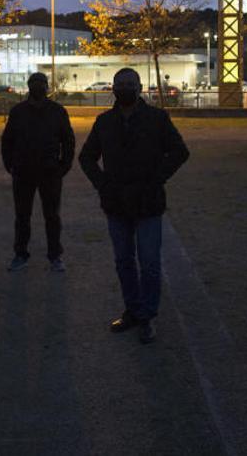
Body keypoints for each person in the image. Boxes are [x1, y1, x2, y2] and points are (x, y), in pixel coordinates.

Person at [79, 68, 189, 344]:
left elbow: (179, 151)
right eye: (121, 84)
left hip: (148, 201)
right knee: (124, 261)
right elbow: (87, 157)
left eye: (130, 84)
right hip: (116, 203)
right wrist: (102, 184)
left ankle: (148, 315)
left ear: (140, 87)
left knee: (150, 263)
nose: (125, 88)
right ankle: (133, 310)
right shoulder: (104, 122)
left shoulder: (157, 119)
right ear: (114, 89)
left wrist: (156, 178)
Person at [1, 72, 75, 272]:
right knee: (22, 216)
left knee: (52, 216)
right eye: (35, 83)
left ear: (46, 87)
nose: (38, 87)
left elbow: (68, 140)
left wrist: (63, 166)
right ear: (29, 86)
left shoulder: (57, 111)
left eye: (41, 84)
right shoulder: (18, 112)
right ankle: (20, 254)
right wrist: (10, 164)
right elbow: (7, 140)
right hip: (23, 172)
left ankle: (55, 256)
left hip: (50, 172)